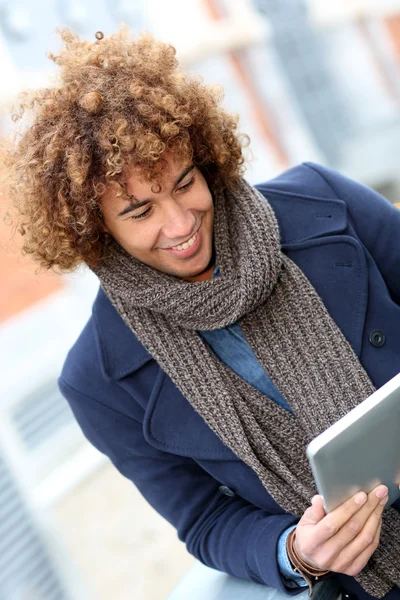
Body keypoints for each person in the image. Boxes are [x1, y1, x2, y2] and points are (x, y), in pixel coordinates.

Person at [5, 28, 400, 600]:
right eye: (140, 210)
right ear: (95, 230)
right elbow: (203, 521)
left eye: (185, 182)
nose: (181, 223)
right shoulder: (97, 381)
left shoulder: (325, 201)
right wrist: (295, 552)